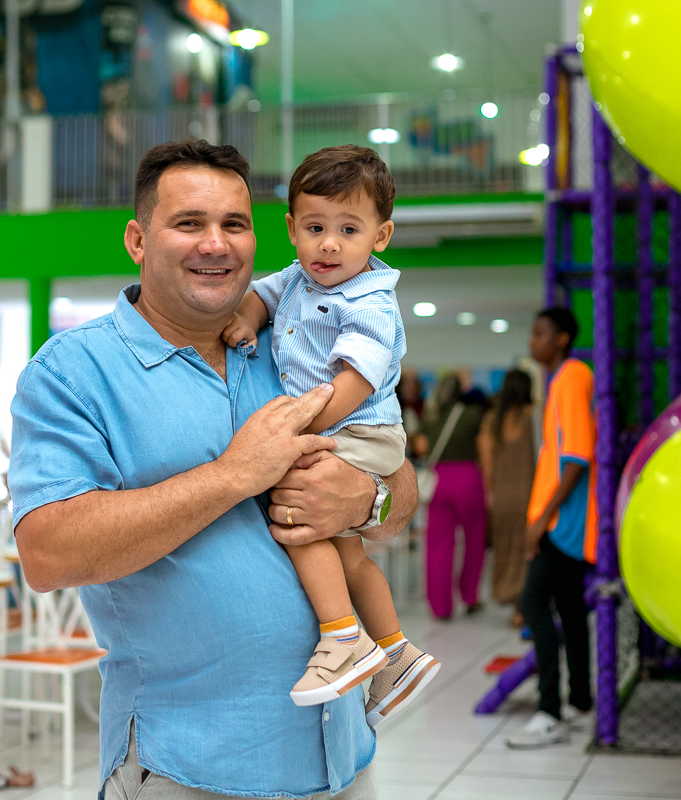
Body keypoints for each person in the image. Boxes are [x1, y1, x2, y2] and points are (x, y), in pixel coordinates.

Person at [9, 139, 418, 800]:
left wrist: (363, 501)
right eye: (189, 223)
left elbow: (401, 493)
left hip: (341, 757)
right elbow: (48, 553)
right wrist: (231, 476)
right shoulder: (74, 372)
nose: (216, 244)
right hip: (191, 763)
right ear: (138, 240)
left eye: (233, 224)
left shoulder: (295, 344)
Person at [223, 144, 439, 717]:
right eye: (315, 227)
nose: (329, 244)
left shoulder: (368, 300)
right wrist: (246, 317)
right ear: (291, 228)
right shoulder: (298, 279)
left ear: (381, 235)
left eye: (349, 229)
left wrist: (298, 433)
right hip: (344, 427)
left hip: (355, 425)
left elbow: (355, 382)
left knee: (299, 517)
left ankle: (341, 634)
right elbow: (259, 298)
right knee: (348, 555)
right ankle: (395, 651)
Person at [506, 308, 597, 749]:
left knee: (533, 605)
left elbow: (578, 458)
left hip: (563, 524)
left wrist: (542, 520)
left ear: (562, 339)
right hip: (563, 521)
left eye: (540, 333)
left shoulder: (573, 377)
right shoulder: (560, 380)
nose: (532, 340)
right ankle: (580, 702)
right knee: (571, 610)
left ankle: (549, 711)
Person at [416, 371, 488, 618]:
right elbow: (483, 450)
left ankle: (440, 607)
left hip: (439, 480)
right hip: (468, 478)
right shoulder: (472, 416)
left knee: (438, 546)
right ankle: (469, 597)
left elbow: (422, 448)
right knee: (473, 541)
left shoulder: (431, 417)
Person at [477, 369, 536, 627]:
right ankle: (524, 607)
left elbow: (486, 461)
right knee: (526, 551)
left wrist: (490, 492)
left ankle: (512, 603)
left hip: (502, 496)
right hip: (529, 494)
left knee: (505, 549)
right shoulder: (532, 417)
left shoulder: (493, 421)